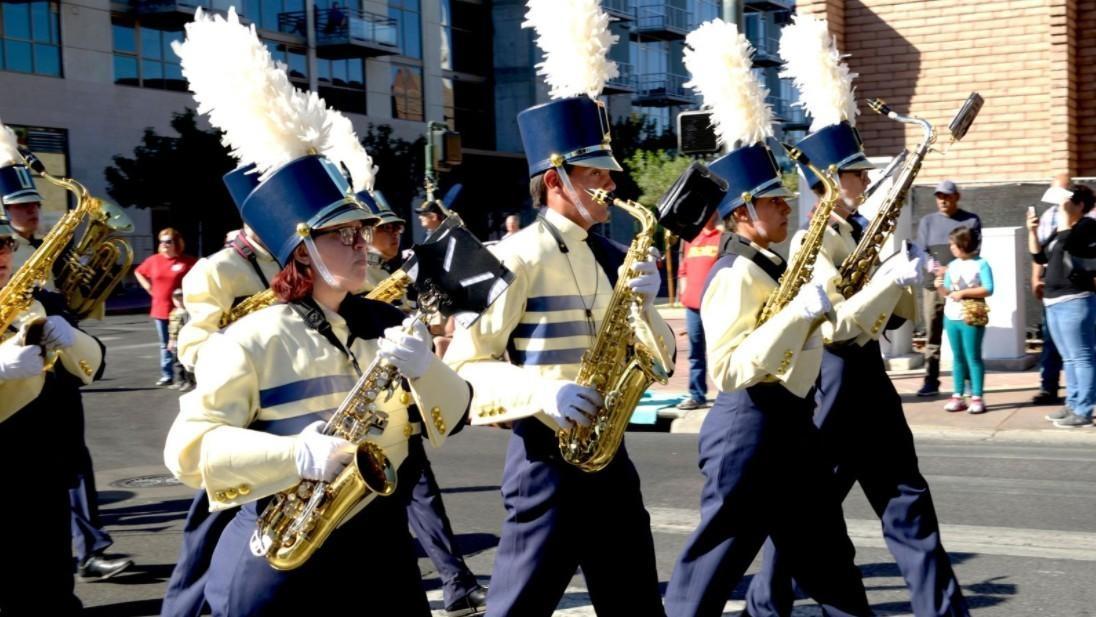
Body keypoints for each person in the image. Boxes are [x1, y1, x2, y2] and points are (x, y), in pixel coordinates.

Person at [163, 153, 473, 615]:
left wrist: (427, 367)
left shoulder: (390, 323)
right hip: (289, 547)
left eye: (361, 233)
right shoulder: (249, 340)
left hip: (383, 551)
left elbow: (459, 413)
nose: (362, 246)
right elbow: (186, 451)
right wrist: (295, 455)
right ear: (303, 250)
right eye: (343, 235)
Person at [743, 22, 968, 609]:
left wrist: (908, 277)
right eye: (856, 173)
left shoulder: (860, 230)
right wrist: (887, 281)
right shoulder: (808, 243)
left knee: (909, 503)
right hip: (831, 383)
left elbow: (892, 320)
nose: (866, 180)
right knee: (806, 511)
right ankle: (765, 606)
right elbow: (838, 326)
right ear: (826, 181)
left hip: (869, 376)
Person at [665, 21, 869, 616]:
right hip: (748, 431)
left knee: (832, 564)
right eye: (774, 201)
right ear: (742, 213)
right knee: (708, 576)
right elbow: (728, 368)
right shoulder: (734, 273)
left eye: (783, 197)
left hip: (792, 427)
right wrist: (797, 315)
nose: (786, 207)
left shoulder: (771, 264)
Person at [444, 94, 675, 615]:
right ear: (555, 180)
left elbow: (661, 361)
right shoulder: (509, 256)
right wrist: (545, 393)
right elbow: (462, 365)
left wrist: (648, 307)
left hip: (611, 460)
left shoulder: (616, 256)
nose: (612, 183)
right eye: (597, 173)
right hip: (545, 464)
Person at [0, 156, 134, 583]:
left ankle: (88, 549)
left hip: (53, 375)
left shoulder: (45, 252)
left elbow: (83, 324)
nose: (31, 210)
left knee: (70, 459)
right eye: (19, 206)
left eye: (33, 204)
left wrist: (75, 316)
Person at [358, 189, 489, 616]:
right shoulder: (357, 276)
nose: (395, 233)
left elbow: (431, 323)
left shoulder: (403, 269)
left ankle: (456, 583)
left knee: (420, 493)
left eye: (398, 226)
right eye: (385, 228)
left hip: (402, 397)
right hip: (363, 406)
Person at [0, 216, 104, 615]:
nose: (2, 255)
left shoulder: (41, 302)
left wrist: (73, 337)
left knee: (53, 588)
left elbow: (96, 365)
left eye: (5, 244)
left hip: (46, 469)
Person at [1028, 184, 1096, 428]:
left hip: (1074, 299)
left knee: (1082, 356)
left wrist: (1066, 218)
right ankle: (1073, 404)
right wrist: (1032, 231)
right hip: (1054, 301)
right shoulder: (1063, 228)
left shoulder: (1088, 226)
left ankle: (1084, 410)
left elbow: (1073, 247)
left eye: (1067, 202)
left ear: (1080, 205)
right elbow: (1040, 257)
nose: (1061, 207)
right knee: (1068, 358)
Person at [916, 180, 982, 397]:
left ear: (956, 197)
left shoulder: (971, 220)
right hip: (934, 287)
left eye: (947, 196)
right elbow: (922, 252)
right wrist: (938, 270)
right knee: (932, 335)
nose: (942, 200)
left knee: (965, 335)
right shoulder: (927, 222)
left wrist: (951, 269)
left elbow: (975, 252)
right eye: (939, 196)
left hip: (963, 290)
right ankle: (930, 380)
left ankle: (969, 383)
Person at [937, 226, 994, 414]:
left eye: (953, 244)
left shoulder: (981, 264)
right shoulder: (952, 265)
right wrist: (939, 286)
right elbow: (947, 291)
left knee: (973, 356)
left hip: (971, 316)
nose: (951, 247)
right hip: (951, 315)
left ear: (964, 244)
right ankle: (958, 395)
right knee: (958, 357)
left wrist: (963, 293)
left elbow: (988, 288)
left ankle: (977, 396)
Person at [135, 227, 196, 386]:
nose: (164, 244)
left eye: (168, 241)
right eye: (161, 241)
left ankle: (185, 375)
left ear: (176, 243)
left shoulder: (187, 262)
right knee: (165, 345)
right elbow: (138, 272)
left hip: (182, 310)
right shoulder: (153, 260)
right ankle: (167, 375)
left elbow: (200, 277)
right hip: (160, 309)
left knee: (183, 342)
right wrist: (148, 287)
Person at [675, 211, 720, 410]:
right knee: (695, 353)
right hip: (692, 307)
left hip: (715, 306)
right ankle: (697, 395)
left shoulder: (722, 238)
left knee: (720, 350)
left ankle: (727, 395)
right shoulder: (690, 239)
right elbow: (683, 270)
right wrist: (684, 296)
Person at [167, 288, 196, 391]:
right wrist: (171, 341)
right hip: (176, 342)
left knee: (187, 362)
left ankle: (190, 382)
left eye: (181, 299)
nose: (179, 302)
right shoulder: (174, 312)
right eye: (177, 299)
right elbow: (172, 329)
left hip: (186, 341)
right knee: (177, 363)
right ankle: (180, 381)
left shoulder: (189, 312)